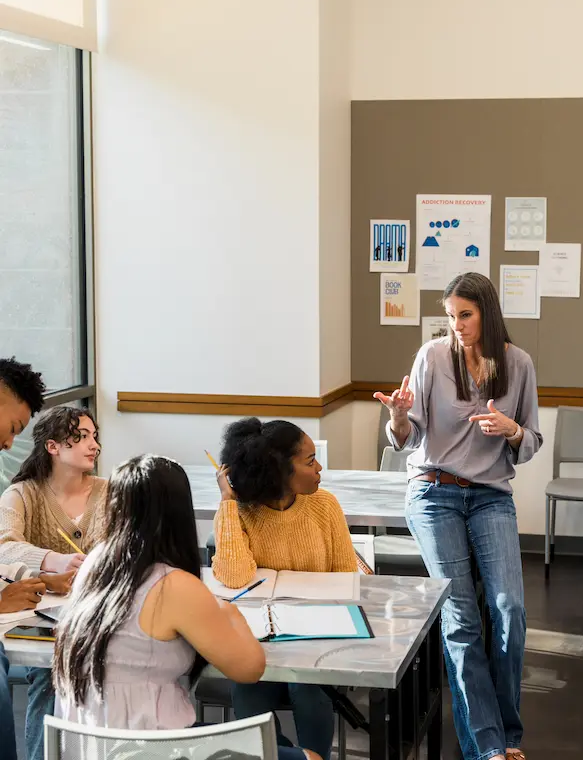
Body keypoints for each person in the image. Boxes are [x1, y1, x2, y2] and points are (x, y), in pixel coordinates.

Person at [374, 272, 542, 760]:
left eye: (464, 315)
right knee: (461, 617)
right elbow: (407, 437)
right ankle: (489, 748)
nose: (456, 326)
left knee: (509, 609)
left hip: (490, 494)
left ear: (487, 313)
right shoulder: (431, 357)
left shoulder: (519, 365)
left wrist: (512, 429)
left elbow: (531, 443)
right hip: (433, 492)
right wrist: (399, 417)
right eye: (449, 316)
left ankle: (507, 734)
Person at [51, 454, 319, 760]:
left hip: (88, 744)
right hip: (151, 747)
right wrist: (228, 612)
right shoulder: (172, 584)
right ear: (178, 512)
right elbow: (250, 669)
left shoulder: (94, 565)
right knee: (309, 758)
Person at [212, 418, 357, 760]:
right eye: (309, 461)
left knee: (308, 688)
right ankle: (291, 756)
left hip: (316, 639)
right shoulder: (238, 512)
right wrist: (228, 502)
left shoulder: (325, 506)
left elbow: (347, 580)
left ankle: (307, 756)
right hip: (259, 641)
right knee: (246, 689)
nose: (319, 468)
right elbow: (234, 576)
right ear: (278, 471)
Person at [0, 404, 106, 760]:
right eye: (82, 437)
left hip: (104, 617)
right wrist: (51, 560)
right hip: (43, 625)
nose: (94, 446)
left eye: (95, 437)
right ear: (53, 447)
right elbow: (3, 546)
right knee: (50, 676)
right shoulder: (22, 494)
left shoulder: (113, 492)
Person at [0, 357, 46, 760]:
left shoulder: (105, 491)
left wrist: (19, 579)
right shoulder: (21, 493)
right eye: (12, 428)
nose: (9, 444)